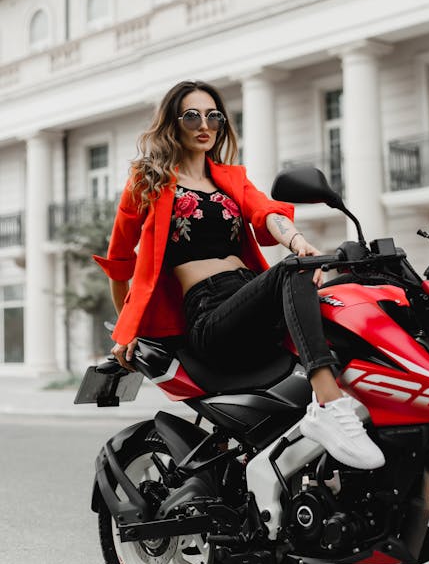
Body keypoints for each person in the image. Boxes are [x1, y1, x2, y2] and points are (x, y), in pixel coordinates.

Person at [94, 79, 385, 470]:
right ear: (172, 123)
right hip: (208, 312)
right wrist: (125, 333)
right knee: (293, 271)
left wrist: (297, 242)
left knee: (341, 301)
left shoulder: (232, 179)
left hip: (249, 296)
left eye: (213, 116)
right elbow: (119, 262)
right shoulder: (149, 180)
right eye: (192, 115)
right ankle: (329, 405)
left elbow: (267, 213)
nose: (205, 124)